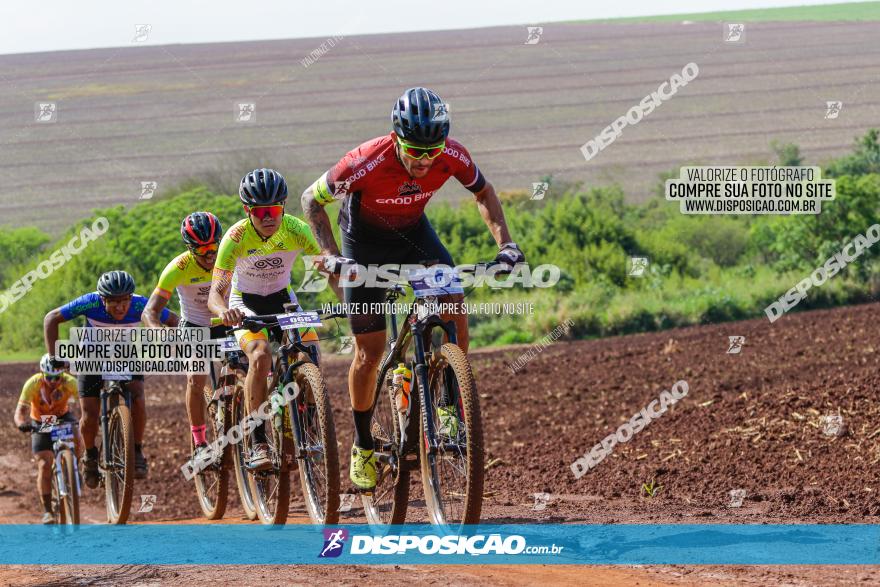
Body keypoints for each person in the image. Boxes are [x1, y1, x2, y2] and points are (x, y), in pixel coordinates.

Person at [300, 86, 525, 490]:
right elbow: (309, 201)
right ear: (395, 138)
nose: (424, 162)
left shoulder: (452, 154)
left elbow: (484, 192)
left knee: (451, 296)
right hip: (362, 244)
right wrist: (331, 255)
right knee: (369, 353)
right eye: (414, 151)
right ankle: (364, 444)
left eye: (432, 152)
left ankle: (448, 403)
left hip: (413, 235)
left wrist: (506, 244)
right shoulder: (365, 159)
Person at [208, 168, 338, 470]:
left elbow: (327, 269)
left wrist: (349, 302)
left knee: (310, 351)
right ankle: (258, 442)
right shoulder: (235, 237)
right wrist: (223, 311)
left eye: (275, 210)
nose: (269, 217)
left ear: (283, 207)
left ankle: (304, 424)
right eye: (261, 211)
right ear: (247, 211)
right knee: (261, 354)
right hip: (245, 303)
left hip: (282, 299)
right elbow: (216, 293)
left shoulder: (295, 229)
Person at [43, 270, 179, 488]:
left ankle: (136, 450)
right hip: (90, 357)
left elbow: (173, 319)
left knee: (138, 397)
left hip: (126, 355)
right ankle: (90, 455)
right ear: (102, 299)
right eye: (114, 302)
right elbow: (51, 318)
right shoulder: (90, 302)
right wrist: (53, 356)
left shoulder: (139, 305)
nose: (120, 307)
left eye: (124, 301)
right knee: (89, 413)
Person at [143, 212, 227, 464]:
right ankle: (200, 443)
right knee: (196, 374)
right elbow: (150, 311)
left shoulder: (229, 257)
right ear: (190, 249)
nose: (210, 253)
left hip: (225, 319)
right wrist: (159, 333)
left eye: (214, 246)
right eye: (202, 249)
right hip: (195, 325)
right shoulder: (177, 268)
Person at [13, 354, 82, 524]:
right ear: (42, 374)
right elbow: (19, 412)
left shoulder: (70, 382)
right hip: (42, 421)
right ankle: (47, 511)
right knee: (44, 465)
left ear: (62, 374)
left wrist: (85, 421)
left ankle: (76, 465)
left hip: (62, 416)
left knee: (79, 434)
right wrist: (21, 423)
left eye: (57, 377)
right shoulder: (33, 384)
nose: (53, 381)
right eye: (49, 377)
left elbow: (85, 405)